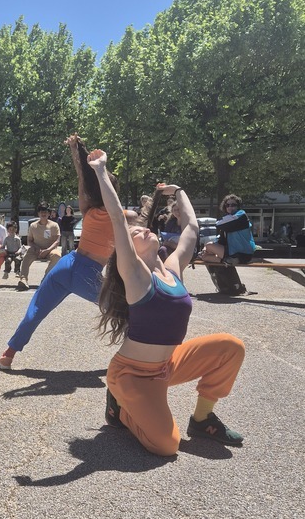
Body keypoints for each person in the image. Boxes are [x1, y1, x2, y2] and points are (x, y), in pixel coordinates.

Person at [88, 149, 245, 455]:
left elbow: (191, 228)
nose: (145, 229)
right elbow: (118, 218)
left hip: (168, 365)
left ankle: (202, 419)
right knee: (166, 446)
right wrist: (100, 171)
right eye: (136, 232)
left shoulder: (172, 269)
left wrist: (178, 191)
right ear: (127, 251)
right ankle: (121, 407)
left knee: (231, 347)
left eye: (145, 227)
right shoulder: (136, 276)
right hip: (133, 375)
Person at [0, 135, 116, 371]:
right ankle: (141, 357)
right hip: (88, 273)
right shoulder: (122, 216)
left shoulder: (88, 209)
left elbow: (82, 177)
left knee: (36, 310)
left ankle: (7, 355)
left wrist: (76, 149)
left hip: (68, 263)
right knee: (124, 311)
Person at [16, 202, 61, 291]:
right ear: (38, 213)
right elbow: (29, 240)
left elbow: (57, 241)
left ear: (49, 213)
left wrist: (47, 250)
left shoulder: (54, 225)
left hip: (50, 249)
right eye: (41, 212)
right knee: (26, 256)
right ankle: (23, 279)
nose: (43, 214)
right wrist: (36, 248)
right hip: (36, 249)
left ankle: (46, 279)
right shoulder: (33, 226)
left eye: (45, 212)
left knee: (57, 256)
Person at [200, 194, 255, 265]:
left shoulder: (241, 214)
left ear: (238, 206)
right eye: (227, 205)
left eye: (233, 205)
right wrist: (205, 248)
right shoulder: (228, 220)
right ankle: (227, 260)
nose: (230, 207)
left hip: (243, 253)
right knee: (204, 256)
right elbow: (220, 238)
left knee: (209, 246)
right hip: (233, 252)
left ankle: (231, 260)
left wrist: (208, 247)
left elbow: (218, 224)